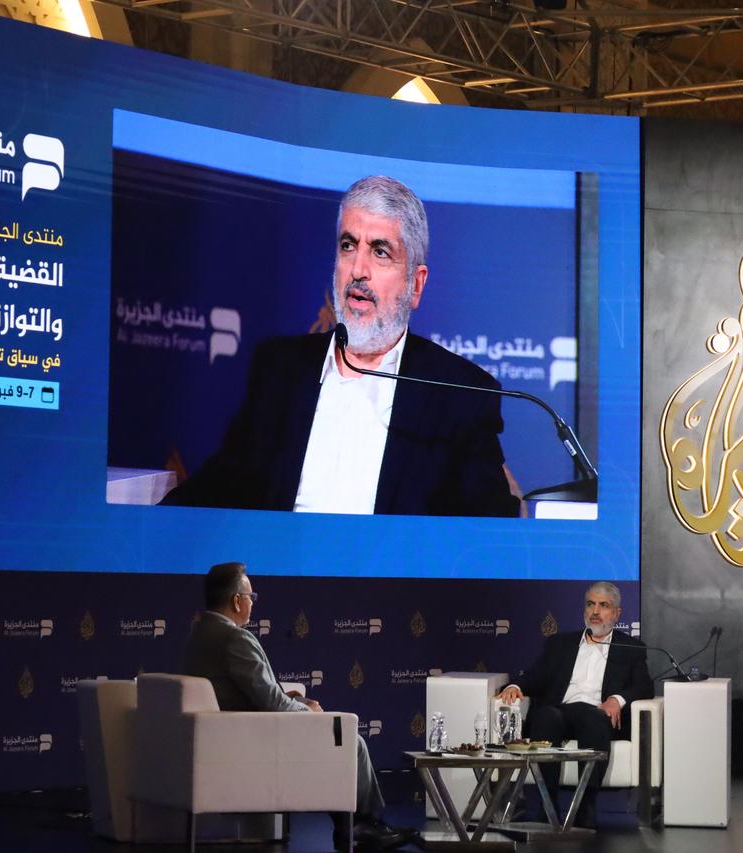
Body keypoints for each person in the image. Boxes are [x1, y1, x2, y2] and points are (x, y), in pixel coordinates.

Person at [160, 175, 519, 517]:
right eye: (348, 246)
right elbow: (219, 489)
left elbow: (488, 531)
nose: (358, 269)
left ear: (416, 284)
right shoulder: (280, 370)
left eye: (380, 252)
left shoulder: (458, 393)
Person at [182, 562, 417, 852]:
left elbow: (241, 690)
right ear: (237, 601)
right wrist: (308, 712)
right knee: (350, 741)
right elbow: (271, 704)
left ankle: (356, 826)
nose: (253, 604)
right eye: (251, 597)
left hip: (228, 737)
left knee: (331, 732)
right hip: (257, 740)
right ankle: (361, 826)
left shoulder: (198, 635)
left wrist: (292, 699)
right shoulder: (235, 638)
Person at [496, 582, 653, 828]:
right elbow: (536, 676)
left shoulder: (630, 648)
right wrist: (515, 686)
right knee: (545, 717)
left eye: (603, 605)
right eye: (591, 604)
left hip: (596, 713)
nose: (595, 611)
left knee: (593, 719)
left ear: (617, 613)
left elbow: (644, 687)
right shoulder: (560, 643)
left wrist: (616, 700)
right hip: (560, 711)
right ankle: (547, 807)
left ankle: (584, 807)